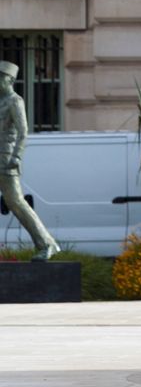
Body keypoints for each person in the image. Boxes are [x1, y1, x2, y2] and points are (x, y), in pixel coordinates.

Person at [0, 59, 58, 260]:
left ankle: (47, 244)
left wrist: (16, 156)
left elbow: (23, 132)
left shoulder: (15, 101)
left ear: (10, 80)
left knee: (16, 202)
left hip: (6, 160)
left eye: (0, 77)